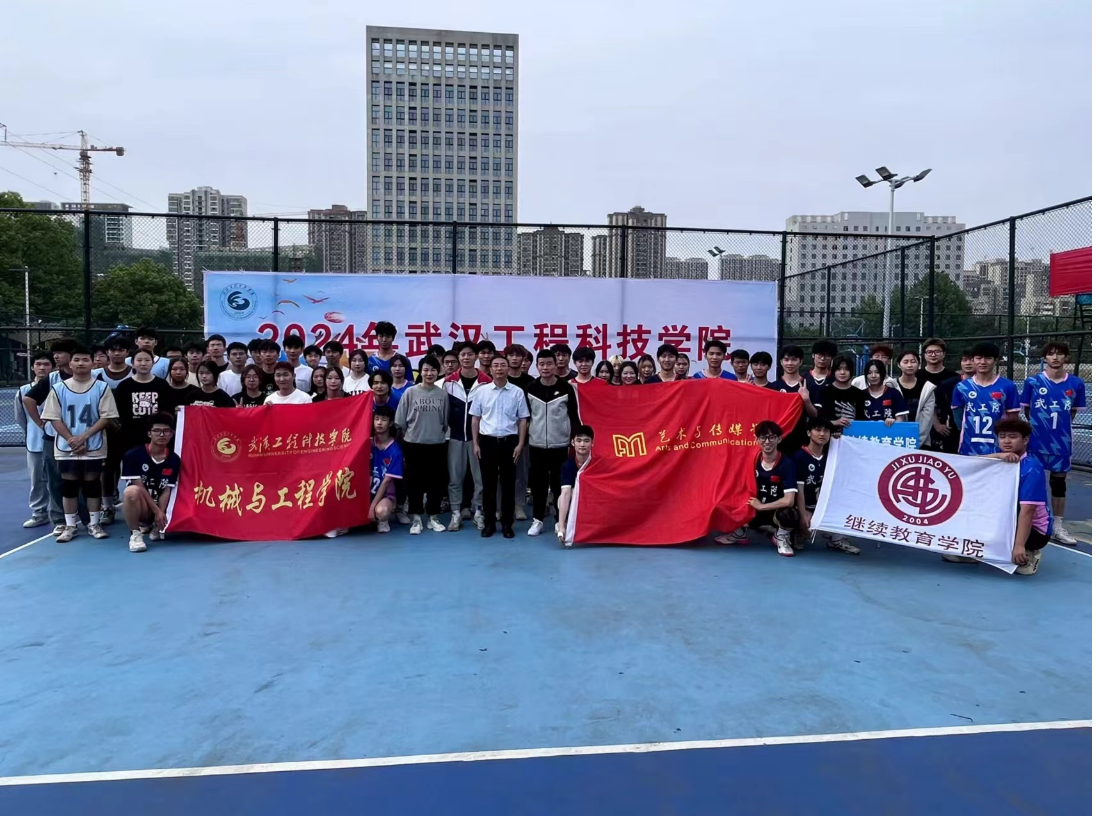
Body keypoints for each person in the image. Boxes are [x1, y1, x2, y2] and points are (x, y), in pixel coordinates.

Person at [40, 345, 119, 542]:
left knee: (92, 484)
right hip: (66, 446)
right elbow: (53, 417)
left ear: (93, 363)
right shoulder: (59, 388)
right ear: (70, 363)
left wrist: (83, 437)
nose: (81, 363)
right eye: (77, 360)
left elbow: (106, 416)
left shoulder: (101, 387)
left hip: (94, 445)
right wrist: (71, 440)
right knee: (69, 485)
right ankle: (70, 525)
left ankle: (94, 523)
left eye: (85, 360)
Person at [1021, 341, 1087, 546]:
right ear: (1044, 358)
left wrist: (1059, 432)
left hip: (1061, 443)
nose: (1055, 357)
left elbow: (1072, 412)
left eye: (1060, 354)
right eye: (1051, 354)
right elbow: (1028, 411)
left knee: (1058, 484)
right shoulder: (1033, 382)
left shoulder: (1076, 383)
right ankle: (1033, 522)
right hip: (1036, 442)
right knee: (1033, 482)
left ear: (1067, 358)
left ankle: (1057, 526)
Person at [715, 420, 799, 556]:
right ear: (756, 440)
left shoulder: (787, 464)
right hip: (752, 509)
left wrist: (762, 506)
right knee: (722, 500)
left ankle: (780, 537)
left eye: (771, 437)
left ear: (779, 439)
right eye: (763, 437)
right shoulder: (751, 460)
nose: (767, 441)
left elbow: (789, 500)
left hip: (774, 511)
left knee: (790, 515)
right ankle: (739, 533)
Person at [470, 353, 530, 539]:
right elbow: (475, 419)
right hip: (487, 442)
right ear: (490, 369)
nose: (499, 368)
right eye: (495, 365)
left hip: (509, 442)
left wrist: (520, 444)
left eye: (503, 365)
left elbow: (523, 420)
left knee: (508, 485)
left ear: (508, 368)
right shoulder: (482, 391)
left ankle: (507, 524)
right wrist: (476, 444)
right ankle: (489, 523)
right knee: (488, 485)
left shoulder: (517, 392)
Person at [982, 418, 1052, 575]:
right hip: (1004, 519)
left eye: (1012, 437)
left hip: (1034, 530)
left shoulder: (1032, 468)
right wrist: (998, 456)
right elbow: (967, 465)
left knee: (1022, 568)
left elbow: (1028, 510)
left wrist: (1019, 545)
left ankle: (1029, 550)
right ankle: (974, 552)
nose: (1006, 441)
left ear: (1025, 440)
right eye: (1002, 436)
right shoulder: (996, 458)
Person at [525, 349, 581, 536]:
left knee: (559, 485)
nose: (545, 367)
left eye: (549, 364)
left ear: (555, 365)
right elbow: (526, 418)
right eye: (541, 364)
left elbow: (574, 417)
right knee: (538, 485)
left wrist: (573, 441)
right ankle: (537, 520)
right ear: (537, 366)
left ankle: (560, 520)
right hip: (536, 444)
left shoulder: (566, 388)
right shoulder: (531, 389)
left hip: (560, 445)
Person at [394, 354, 449, 534]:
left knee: (436, 482)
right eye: (426, 370)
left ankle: (433, 517)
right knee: (414, 483)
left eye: (433, 370)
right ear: (420, 371)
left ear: (438, 372)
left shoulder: (442, 394)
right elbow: (400, 421)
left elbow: (445, 421)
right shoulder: (410, 392)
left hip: (437, 444)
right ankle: (416, 519)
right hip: (413, 444)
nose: (429, 373)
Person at [794, 417, 859, 555]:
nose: (822, 434)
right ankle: (799, 533)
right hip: (806, 507)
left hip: (825, 507)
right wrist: (803, 515)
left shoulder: (832, 454)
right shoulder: (799, 456)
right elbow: (799, 491)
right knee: (804, 523)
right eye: (817, 430)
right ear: (808, 433)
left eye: (826, 431)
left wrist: (839, 440)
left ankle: (836, 540)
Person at [445, 341, 490, 530]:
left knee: (480, 479)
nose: (466, 358)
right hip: (455, 437)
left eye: (470, 354)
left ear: (476, 356)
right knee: (455, 478)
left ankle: (478, 512)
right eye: (463, 354)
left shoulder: (487, 382)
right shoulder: (448, 383)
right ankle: (456, 513)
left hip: (478, 439)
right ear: (458, 357)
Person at [120, 413, 181, 553]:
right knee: (131, 491)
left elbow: (167, 490)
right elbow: (140, 487)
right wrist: (156, 511)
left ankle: (157, 526)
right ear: (149, 434)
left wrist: (161, 514)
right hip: (144, 507)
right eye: (157, 431)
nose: (162, 435)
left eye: (166, 431)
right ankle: (135, 534)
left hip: (161, 507)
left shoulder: (174, 459)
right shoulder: (133, 455)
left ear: (172, 434)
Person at [951, 341, 1020, 456]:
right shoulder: (962, 387)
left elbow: (1012, 419)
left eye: (988, 358)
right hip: (968, 447)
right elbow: (958, 418)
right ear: (973, 360)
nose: (983, 362)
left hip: (998, 449)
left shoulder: (1008, 386)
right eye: (978, 358)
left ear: (996, 360)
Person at [114, 349, 175, 463]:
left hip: (157, 437)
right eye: (139, 360)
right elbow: (119, 412)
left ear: (153, 363)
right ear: (132, 363)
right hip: (130, 438)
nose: (143, 363)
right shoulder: (124, 386)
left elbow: (168, 411)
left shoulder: (162, 385)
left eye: (147, 360)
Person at [17, 352, 55, 528]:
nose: (42, 368)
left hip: (58, 441)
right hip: (35, 443)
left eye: (46, 364)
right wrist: (34, 430)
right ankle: (39, 512)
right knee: (37, 479)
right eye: (38, 364)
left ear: (53, 367)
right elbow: (20, 418)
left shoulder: (59, 387)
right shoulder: (23, 391)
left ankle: (66, 513)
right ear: (32, 367)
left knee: (61, 478)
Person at [765, 345, 815, 452]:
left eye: (794, 359)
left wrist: (806, 400)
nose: (790, 363)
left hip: (802, 439)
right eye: (786, 359)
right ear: (781, 362)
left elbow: (814, 415)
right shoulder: (772, 387)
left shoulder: (809, 386)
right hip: (779, 440)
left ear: (800, 362)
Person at [928, 350, 976, 454]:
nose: (968, 363)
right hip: (954, 432)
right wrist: (937, 425)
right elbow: (931, 405)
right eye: (964, 360)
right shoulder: (948, 384)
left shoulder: (988, 384)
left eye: (971, 360)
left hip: (980, 431)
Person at [555, 424, 594, 546]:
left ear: (592, 443)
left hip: (593, 501)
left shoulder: (597, 463)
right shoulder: (567, 465)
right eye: (579, 440)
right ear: (573, 443)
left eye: (586, 441)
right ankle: (563, 523)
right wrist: (561, 527)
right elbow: (565, 493)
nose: (582, 444)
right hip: (577, 500)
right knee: (563, 497)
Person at [369, 405, 403, 534]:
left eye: (383, 420)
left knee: (381, 511)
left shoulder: (395, 450)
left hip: (385, 496)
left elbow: (386, 481)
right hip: (364, 494)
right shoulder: (368, 444)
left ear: (390, 423)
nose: (379, 423)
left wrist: (372, 507)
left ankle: (382, 521)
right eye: (376, 419)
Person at [820, 355, 866, 432]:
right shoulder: (824, 392)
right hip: (828, 435)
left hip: (853, 436)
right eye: (838, 369)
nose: (842, 372)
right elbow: (818, 418)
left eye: (846, 369)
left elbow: (862, 420)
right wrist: (834, 422)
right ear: (833, 371)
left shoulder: (859, 394)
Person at [862, 359, 908, 425]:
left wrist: (893, 422)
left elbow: (900, 419)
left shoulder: (894, 394)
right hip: (865, 431)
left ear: (883, 374)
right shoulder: (860, 395)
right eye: (869, 373)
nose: (873, 376)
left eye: (877, 372)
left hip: (889, 431)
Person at [804, 340, 837, 411]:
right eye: (819, 355)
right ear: (813, 355)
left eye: (827, 356)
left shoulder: (835, 379)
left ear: (832, 358)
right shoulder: (803, 378)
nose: (822, 359)